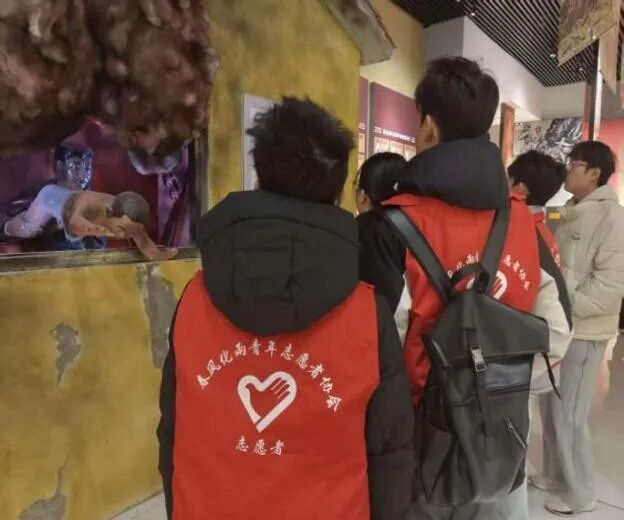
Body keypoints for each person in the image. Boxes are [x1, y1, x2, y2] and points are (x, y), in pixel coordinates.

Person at [157, 97, 414, 520]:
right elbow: (390, 454)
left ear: (258, 180)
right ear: (338, 195)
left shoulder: (194, 300)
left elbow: (173, 432)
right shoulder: (369, 315)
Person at [358, 57, 571, 520]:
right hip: (501, 439)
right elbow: (558, 333)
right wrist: (500, 387)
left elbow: (373, 353)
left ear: (428, 126)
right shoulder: (523, 222)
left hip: (420, 447)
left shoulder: (388, 227)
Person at [533, 141, 624, 517]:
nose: (568, 170)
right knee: (550, 404)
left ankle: (582, 492)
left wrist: (566, 305)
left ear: (595, 173)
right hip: (560, 325)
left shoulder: (612, 218)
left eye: (575, 164)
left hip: (584, 331)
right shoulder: (570, 211)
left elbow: (609, 286)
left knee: (570, 413)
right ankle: (556, 475)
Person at [3, 185, 177, 261]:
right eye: (122, 229)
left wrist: (160, 255)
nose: (125, 236)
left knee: (52, 233)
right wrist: (89, 229)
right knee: (26, 229)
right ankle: (5, 225)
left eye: (131, 233)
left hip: (78, 220)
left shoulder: (132, 218)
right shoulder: (91, 204)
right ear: (110, 212)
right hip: (51, 200)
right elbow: (73, 225)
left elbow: (144, 242)